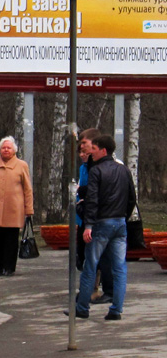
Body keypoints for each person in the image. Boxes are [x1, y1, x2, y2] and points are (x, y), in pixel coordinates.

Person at [75, 134, 136, 321]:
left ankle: (82, 307)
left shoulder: (97, 171)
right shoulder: (124, 170)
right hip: (119, 223)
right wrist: (123, 216)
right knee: (119, 268)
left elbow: (92, 199)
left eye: (93, 148)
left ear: (103, 150)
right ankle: (116, 309)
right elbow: (131, 198)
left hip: (101, 223)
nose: (90, 152)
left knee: (90, 265)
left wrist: (89, 225)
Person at [0, 136, 34, 276]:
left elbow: (28, 189)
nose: (6, 150)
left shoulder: (22, 165)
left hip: (14, 209)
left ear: (14, 150)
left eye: (9, 148)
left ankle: (9, 266)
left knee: (11, 240)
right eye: (4, 148)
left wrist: (29, 209)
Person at [75, 128, 112, 303]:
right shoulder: (84, 168)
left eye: (85, 147)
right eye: (80, 149)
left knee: (100, 255)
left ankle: (99, 289)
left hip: (100, 217)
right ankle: (89, 288)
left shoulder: (105, 166)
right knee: (85, 255)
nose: (82, 152)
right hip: (85, 215)